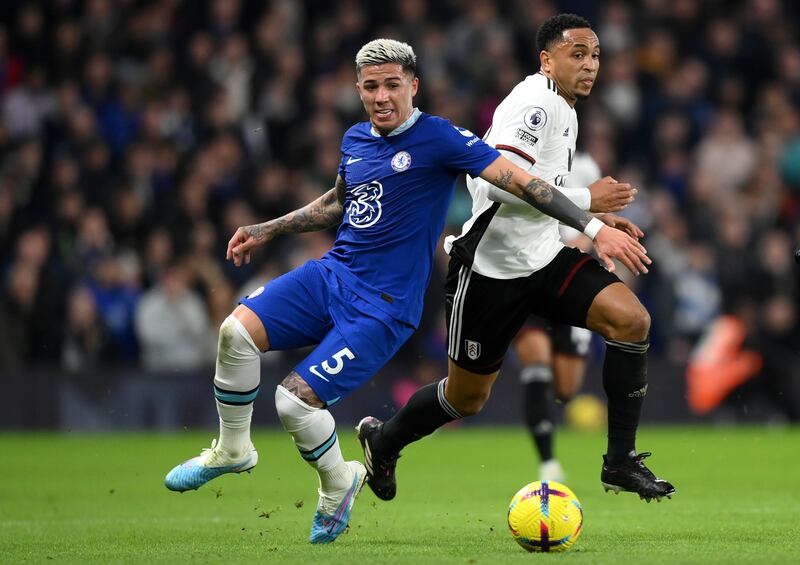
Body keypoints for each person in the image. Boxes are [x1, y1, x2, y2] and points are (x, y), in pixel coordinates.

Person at [163, 37, 646, 545]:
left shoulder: (442, 140)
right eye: (371, 87)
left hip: (383, 308)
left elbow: (523, 183)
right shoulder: (355, 138)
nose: (381, 97)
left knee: (293, 404)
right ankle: (232, 449)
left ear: (413, 86)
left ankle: (340, 481)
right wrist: (269, 228)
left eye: (393, 85)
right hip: (332, 275)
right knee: (234, 334)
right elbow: (342, 201)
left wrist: (591, 226)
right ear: (358, 90)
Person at [357, 15, 676, 505]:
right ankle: (384, 441)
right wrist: (590, 210)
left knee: (631, 321)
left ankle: (619, 462)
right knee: (467, 398)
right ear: (547, 59)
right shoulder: (533, 105)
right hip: (489, 270)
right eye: (577, 55)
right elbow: (496, 183)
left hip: (544, 256)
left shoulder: (566, 107)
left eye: (594, 56)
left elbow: (544, 189)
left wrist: (592, 219)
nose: (590, 65)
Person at [515, 152, 599, 484]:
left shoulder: (585, 165)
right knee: (535, 358)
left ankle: (546, 421)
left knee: (566, 389)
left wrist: (586, 239)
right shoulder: (523, 155)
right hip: (529, 276)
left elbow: (596, 213)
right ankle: (547, 460)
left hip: (570, 280)